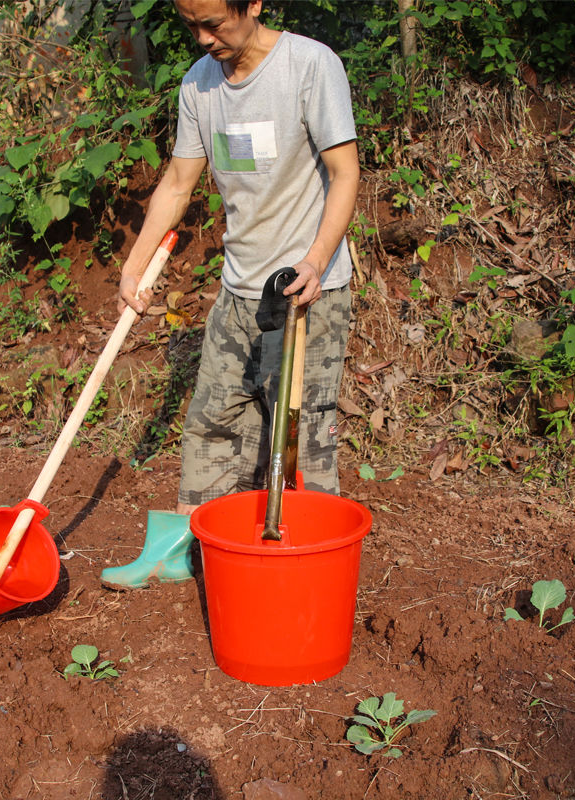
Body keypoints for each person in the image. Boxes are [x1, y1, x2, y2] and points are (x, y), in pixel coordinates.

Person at [101, 0, 359, 588]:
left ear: (255, 5)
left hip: (307, 291)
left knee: (300, 433)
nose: (202, 39)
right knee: (213, 417)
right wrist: (134, 266)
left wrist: (316, 261)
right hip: (239, 288)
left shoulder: (311, 67)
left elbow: (346, 173)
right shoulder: (199, 85)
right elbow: (178, 181)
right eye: (190, 25)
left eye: (213, 23)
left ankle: (313, 564)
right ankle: (191, 548)